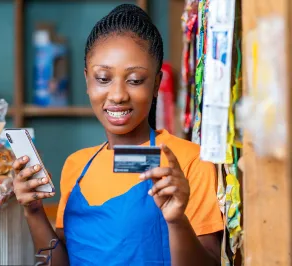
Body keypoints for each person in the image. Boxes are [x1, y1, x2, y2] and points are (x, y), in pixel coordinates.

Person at [12, 4, 223, 266]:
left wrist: (176, 220)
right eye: (103, 78)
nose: (118, 95)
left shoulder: (188, 161)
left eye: (134, 80)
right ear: (87, 80)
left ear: (156, 84)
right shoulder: (76, 166)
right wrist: (33, 210)